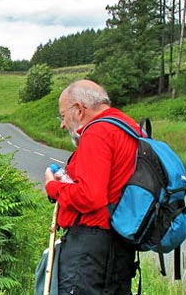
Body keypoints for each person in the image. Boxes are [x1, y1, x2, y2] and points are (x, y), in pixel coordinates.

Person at [44, 79, 139, 294]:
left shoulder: (97, 133)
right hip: (120, 247)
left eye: (63, 115)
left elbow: (90, 197)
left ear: (78, 109)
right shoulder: (130, 128)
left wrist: (53, 187)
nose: (62, 124)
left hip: (89, 252)